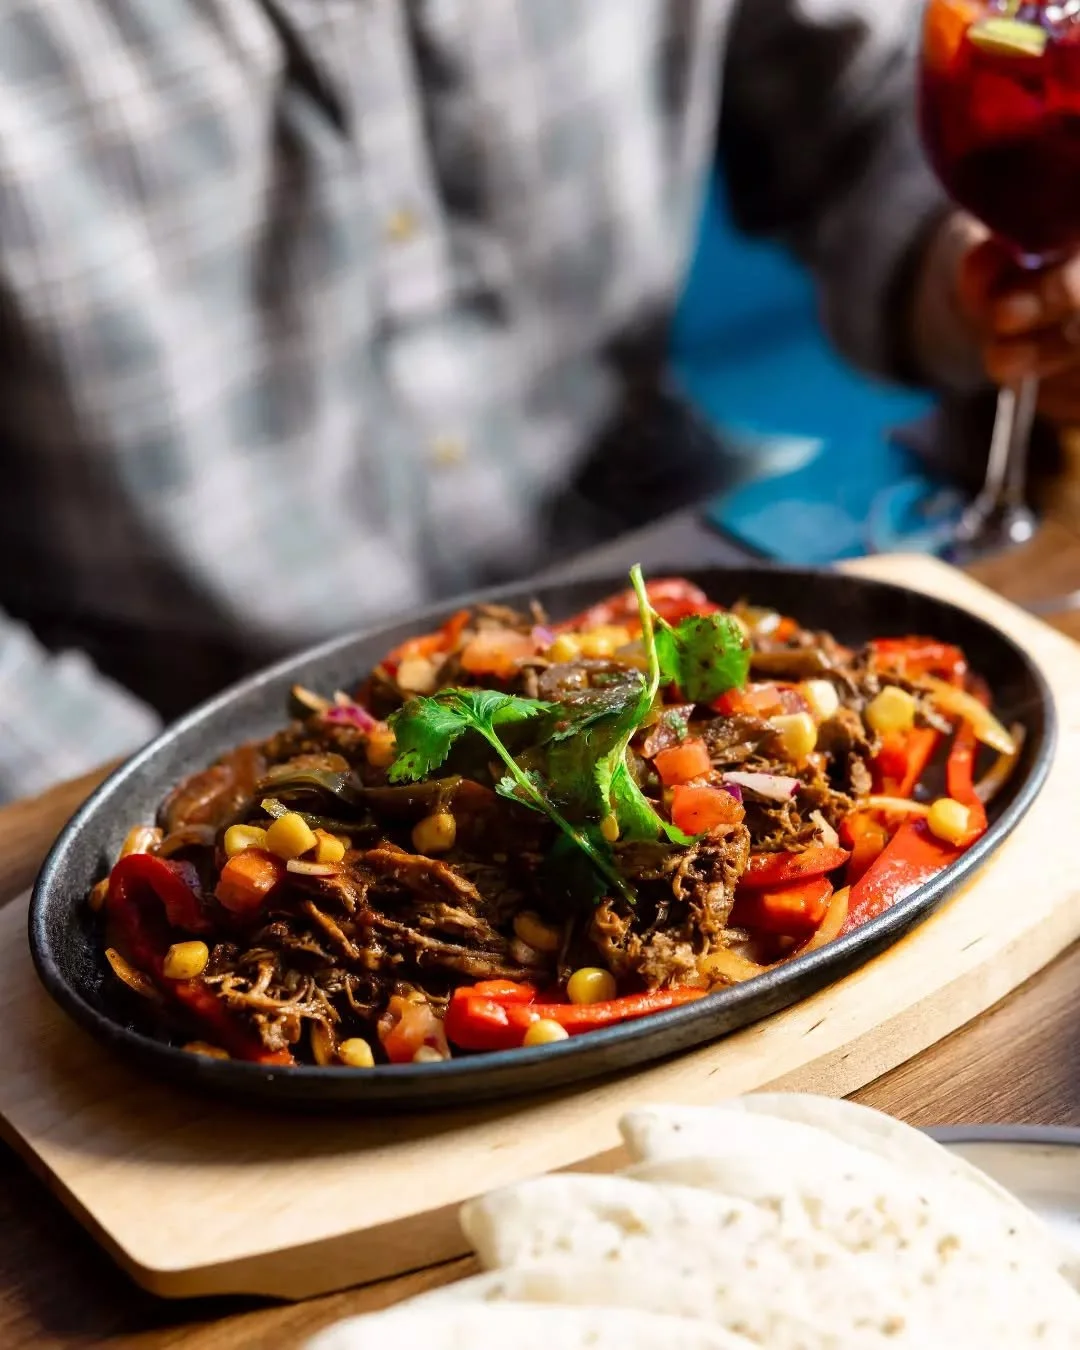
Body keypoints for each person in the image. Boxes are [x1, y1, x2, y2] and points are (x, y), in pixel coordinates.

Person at [0, 0, 1077, 801]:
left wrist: (992, 283)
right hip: (177, 713)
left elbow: (871, 106)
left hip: (679, 571)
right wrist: (136, 792)